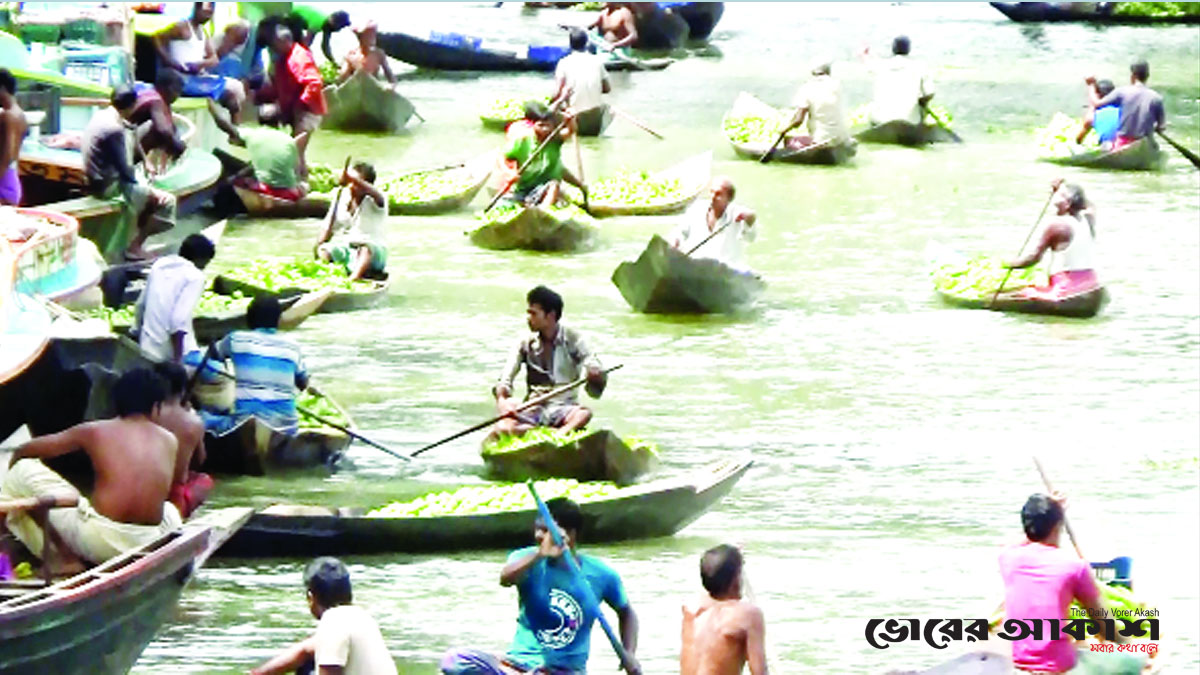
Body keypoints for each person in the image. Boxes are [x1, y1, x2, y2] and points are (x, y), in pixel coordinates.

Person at [1, 368, 182, 567]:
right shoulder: (170, 439)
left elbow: (27, 450)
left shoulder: (95, 430)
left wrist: (13, 471)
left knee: (22, 469)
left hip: (99, 541)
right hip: (148, 540)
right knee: (170, 510)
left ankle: (64, 559)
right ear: (156, 407)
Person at [440, 498, 641, 675]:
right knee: (454, 661)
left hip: (565, 671)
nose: (538, 535)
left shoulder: (601, 574)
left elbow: (626, 612)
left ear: (569, 535)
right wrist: (540, 555)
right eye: (537, 528)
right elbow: (505, 579)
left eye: (545, 530)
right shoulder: (525, 559)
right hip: (516, 664)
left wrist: (629, 653)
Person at [999, 494, 1145, 674]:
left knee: (1081, 643)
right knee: (1132, 660)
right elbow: (1106, 628)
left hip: (1019, 664)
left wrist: (1051, 513)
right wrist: (1131, 648)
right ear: (1058, 526)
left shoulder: (1007, 558)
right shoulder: (1074, 566)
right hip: (1059, 668)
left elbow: (1019, 541)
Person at [250, 557, 397, 675]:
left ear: (311, 597)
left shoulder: (332, 622)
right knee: (308, 659)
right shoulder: (362, 617)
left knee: (308, 668)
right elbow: (305, 650)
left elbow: (329, 670)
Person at [493, 286, 605, 438]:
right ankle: (547, 432)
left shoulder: (574, 339)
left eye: (533, 313)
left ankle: (557, 434)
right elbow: (505, 379)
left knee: (584, 413)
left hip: (563, 408)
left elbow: (592, 364)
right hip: (533, 408)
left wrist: (595, 375)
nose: (529, 318)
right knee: (503, 426)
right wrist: (503, 402)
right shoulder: (525, 343)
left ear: (550, 316)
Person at [81, 85, 177, 260]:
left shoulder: (102, 115)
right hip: (107, 187)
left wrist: (146, 160)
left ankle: (131, 240)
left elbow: (131, 131)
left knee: (146, 187)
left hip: (96, 179)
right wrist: (148, 191)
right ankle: (134, 247)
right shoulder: (114, 129)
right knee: (167, 202)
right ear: (133, 105)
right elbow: (125, 170)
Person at [200, 296, 310, 435]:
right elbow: (303, 383)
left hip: (242, 425)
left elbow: (210, 358)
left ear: (249, 318)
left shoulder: (235, 338)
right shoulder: (293, 347)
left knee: (202, 418)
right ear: (278, 320)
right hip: (287, 428)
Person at [680, 545, 768, 675]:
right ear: (735, 579)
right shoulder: (748, 615)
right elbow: (759, 673)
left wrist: (733, 558)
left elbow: (713, 583)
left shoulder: (690, 609)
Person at [1005, 181, 1101, 300]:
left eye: (1059, 196)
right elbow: (1090, 205)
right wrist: (1063, 188)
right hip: (1090, 283)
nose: (1054, 199)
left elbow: (1034, 258)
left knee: (1025, 292)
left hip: (1066, 289)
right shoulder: (1088, 219)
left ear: (1067, 204)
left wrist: (1008, 265)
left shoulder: (1057, 226)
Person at [153, 2, 247, 122]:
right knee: (231, 90)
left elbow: (214, 59)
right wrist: (169, 61)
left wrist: (201, 64)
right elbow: (156, 38)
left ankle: (236, 131)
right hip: (180, 77)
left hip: (197, 77)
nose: (208, 16)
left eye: (210, 13)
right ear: (197, 9)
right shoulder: (182, 27)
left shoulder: (203, 32)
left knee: (234, 93)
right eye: (206, 12)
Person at [134, 233, 215, 364]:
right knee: (221, 378)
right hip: (174, 355)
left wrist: (136, 333)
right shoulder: (195, 276)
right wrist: (178, 362)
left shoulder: (159, 265)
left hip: (147, 350)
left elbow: (140, 306)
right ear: (201, 259)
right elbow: (178, 322)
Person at [261, 25, 327, 176]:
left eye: (275, 44)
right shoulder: (282, 59)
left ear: (285, 41)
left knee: (295, 151)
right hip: (295, 109)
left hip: (308, 110)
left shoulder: (298, 57)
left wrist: (301, 104)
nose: (272, 48)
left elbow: (314, 82)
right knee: (297, 152)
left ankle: (296, 183)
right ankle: (300, 179)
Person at [152, 362, 214, 520]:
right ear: (182, 389)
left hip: (145, 490)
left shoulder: (144, 415)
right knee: (205, 480)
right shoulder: (194, 421)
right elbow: (201, 460)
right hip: (175, 499)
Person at [315, 161, 388, 281]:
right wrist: (320, 247)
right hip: (350, 251)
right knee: (325, 250)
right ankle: (326, 278)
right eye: (349, 182)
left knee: (365, 248)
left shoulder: (377, 200)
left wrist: (351, 178)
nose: (351, 186)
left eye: (356, 183)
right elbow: (328, 228)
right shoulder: (341, 198)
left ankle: (353, 279)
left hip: (374, 254)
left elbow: (376, 194)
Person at [502, 102, 584, 208]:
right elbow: (504, 158)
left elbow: (570, 130)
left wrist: (570, 120)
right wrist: (510, 173)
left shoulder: (555, 139)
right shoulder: (523, 140)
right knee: (504, 203)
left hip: (545, 188)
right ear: (533, 125)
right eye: (541, 126)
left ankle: (543, 211)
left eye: (548, 126)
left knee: (554, 185)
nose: (545, 130)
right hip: (524, 188)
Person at [670, 177, 758, 271]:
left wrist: (750, 219)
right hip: (695, 266)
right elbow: (680, 233)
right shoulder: (697, 209)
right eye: (712, 192)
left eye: (718, 194)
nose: (713, 197)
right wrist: (675, 242)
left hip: (725, 271)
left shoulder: (737, 214)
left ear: (729, 198)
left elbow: (750, 238)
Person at [1089, 59, 1165, 150]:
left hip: (1123, 143)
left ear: (1132, 76)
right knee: (1155, 146)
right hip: (1145, 144)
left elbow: (1097, 104)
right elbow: (1161, 127)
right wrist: (1156, 128)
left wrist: (1091, 86)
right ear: (1147, 76)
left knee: (1107, 145)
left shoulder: (1121, 92)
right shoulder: (1157, 98)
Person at [550, 29, 611, 136]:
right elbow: (607, 89)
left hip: (574, 116)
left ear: (570, 44)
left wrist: (551, 103)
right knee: (609, 110)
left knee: (553, 108)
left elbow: (556, 93)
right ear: (586, 44)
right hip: (595, 117)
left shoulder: (564, 62)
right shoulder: (597, 61)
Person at [863, 35, 934, 126]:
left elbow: (867, 61)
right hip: (910, 122)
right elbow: (929, 94)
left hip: (879, 120)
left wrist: (865, 52)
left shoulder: (880, 65)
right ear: (909, 49)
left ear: (893, 49)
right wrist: (922, 104)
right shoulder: (920, 67)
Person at [229, 123, 308, 201]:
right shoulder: (288, 140)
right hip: (290, 193)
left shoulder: (253, 135)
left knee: (236, 182)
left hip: (267, 191)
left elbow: (225, 125)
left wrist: (216, 111)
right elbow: (297, 169)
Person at [782, 59, 850, 148]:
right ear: (829, 71)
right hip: (842, 138)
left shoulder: (807, 88)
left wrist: (784, 130)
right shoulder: (838, 85)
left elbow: (798, 121)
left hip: (821, 139)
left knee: (788, 140)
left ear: (813, 72)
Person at [129, 68, 187, 162]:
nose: (178, 96)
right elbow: (162, 130)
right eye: (177, 91)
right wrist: (177, 147)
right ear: (167, 88)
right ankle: (137, 162)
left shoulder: (160, 99)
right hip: (126, 143)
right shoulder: (156, 100)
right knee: (158, 131)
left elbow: (171, 127)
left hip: (130, 140)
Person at [338, 19, 396, 84]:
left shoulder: (378, 54)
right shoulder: (351, 55)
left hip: (373, 88)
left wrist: (392, 85)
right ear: (360, 38)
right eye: (368, 35)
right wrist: (343, 73)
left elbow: (389, 74)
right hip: (357, 88)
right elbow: (343, 77)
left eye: (373, 34)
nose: (372, 38)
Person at [288, 6, 352, 63]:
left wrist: (333, 62)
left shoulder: (327, 26)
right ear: (333, 21)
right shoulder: (319, 22)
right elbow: (306, 42)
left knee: (303, 49)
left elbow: (325, 46)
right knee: (301, 48)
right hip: (293, 17)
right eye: (340, 26)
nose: (339, 29)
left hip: (299, 22)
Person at [0, 68, 26, 206]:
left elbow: (7, 154)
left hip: (3, 181)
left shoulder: (8, 116)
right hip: (11, 178)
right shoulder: (20, 114)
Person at [1075, 78, 1120, 148]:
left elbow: (1078, 140)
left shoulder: (1094, 115)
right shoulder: (1123, 108)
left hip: (1108, 147)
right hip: (1125, 143)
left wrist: (1092, 107)